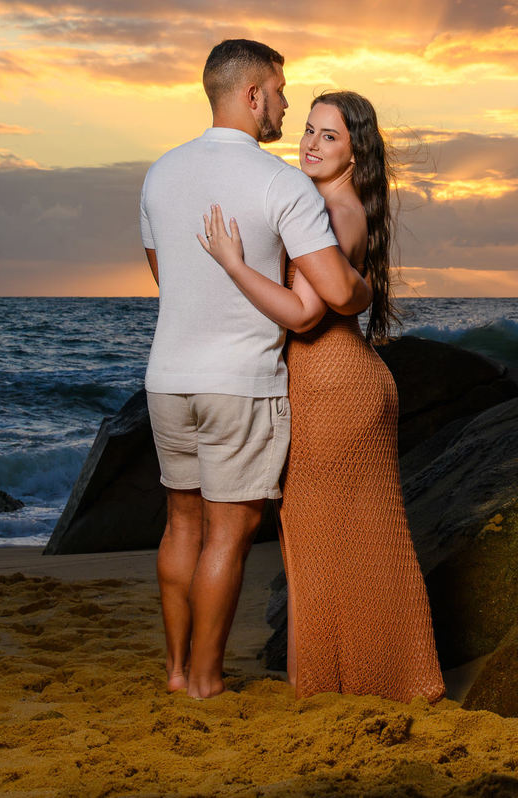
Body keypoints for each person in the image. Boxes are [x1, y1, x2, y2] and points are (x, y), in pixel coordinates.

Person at [197, 92, 446, 703]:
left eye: (328, 136)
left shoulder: (335, 211)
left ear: (355, 150)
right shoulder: (332, 204)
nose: (309, 142)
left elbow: (306, 314)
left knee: (329, 542)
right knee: (345, 540)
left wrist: (233, 265)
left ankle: (346, 683)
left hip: (332, 385)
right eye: (307, 129)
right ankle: (368, 679)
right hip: (333, 382)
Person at [141, 40, 370, 699]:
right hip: (238, 383)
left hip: (166, 379)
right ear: (252, 95)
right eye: (281, 91)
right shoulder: (280, 183)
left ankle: (178, 670)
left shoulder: (160, 173)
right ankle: (208, 681)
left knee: (180, 523)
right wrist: (362, 292)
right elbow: (324, 297)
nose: (286, 104)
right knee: (228, 533)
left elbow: (168, 278)